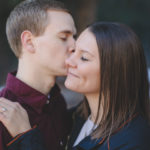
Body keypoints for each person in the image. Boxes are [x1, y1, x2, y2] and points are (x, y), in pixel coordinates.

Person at [1, 22, 150, 150]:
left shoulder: (133, 142)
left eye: (84, 58)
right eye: (73, 51)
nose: (69, 61)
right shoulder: (74, 117)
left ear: (115, 72)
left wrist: (25, 135)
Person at [0, 0, 76, 150]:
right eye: (63, 37)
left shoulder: (57, 101)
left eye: (74, 37)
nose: (75, 46)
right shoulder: (3, 116)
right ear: (29, 42)